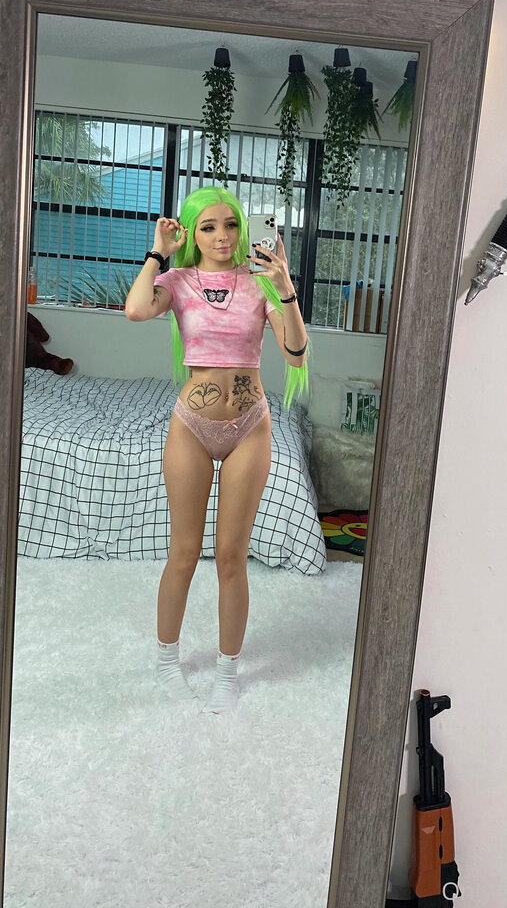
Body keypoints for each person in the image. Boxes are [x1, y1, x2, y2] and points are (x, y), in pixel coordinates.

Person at [124, 186, 308, 713]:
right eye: (208, 227)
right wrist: (158, 251)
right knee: (183, 553)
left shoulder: (260, 283)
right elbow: (135, 310)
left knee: (231, 557)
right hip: (192, 427)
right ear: (193, 233)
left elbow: (296, 355)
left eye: (231, 225)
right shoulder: (178, 281)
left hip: (250, 426)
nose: (222, 236)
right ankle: (167, 662)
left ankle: (228, 671)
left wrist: (286, 288)